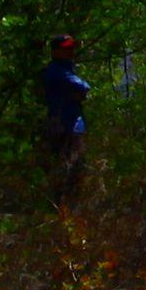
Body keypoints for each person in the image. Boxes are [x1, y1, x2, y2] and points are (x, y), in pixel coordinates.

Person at [37, 35, 93, 193]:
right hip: (64, 125)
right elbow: (82, 86)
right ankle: (61, 205)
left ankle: (68, 206)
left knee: (75, 168)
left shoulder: (66, 70)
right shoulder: (56, 71)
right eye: (66, 48)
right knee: (67, 167)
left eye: (72, 48)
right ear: (55, 51)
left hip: (73, 124)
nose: (71, 51)